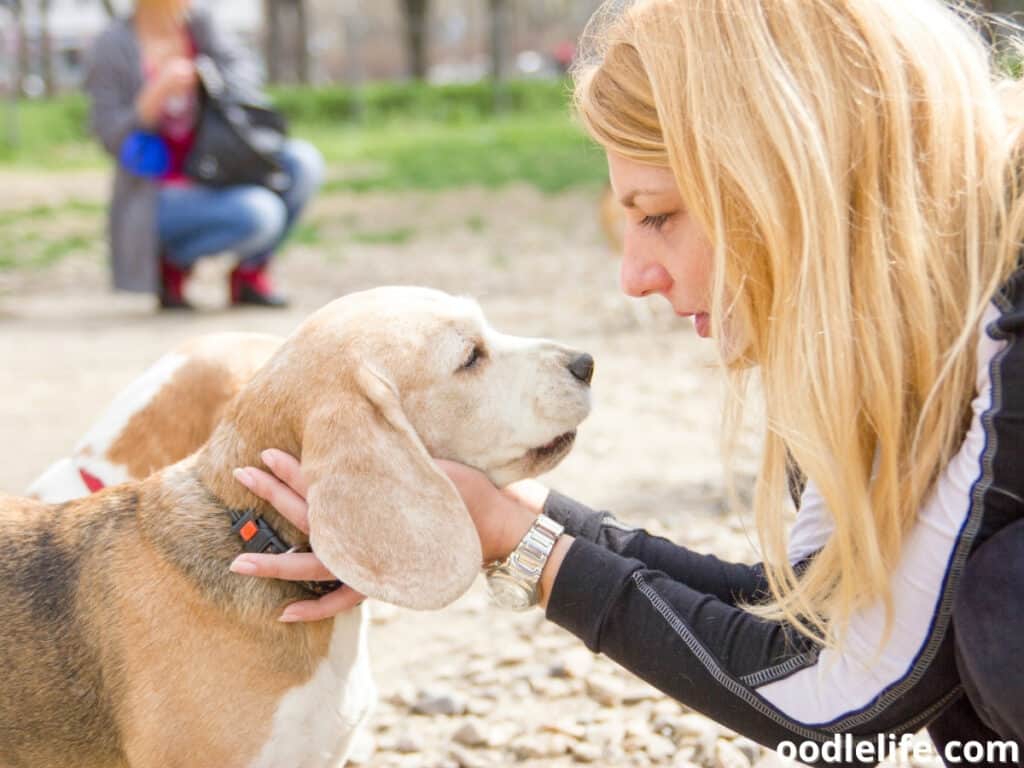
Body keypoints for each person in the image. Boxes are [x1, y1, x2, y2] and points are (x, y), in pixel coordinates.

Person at [228, 0, 1024, 763]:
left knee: (1003, 606)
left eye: (657, 216)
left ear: (785, 178)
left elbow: (846, 707)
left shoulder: (1006, 326)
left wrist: (520, 546)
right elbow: (817, 624)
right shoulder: (907, 318)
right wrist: (504, 518)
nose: (635, 277)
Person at [85, 0, 324, 310]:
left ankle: (250, 274)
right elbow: (109, 135)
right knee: (261, 214)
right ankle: (172, 263)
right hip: (157, 191)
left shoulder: (202, 25)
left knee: (303, 161)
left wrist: (204, 76)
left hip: (220, 164)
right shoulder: (113, 43)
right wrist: (152, 100)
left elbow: (248, 80)